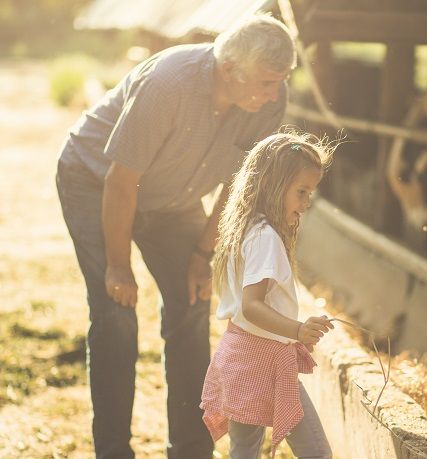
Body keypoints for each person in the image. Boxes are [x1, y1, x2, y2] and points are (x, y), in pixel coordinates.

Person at [55, 14, 295, 459]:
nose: (273, 94)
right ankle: (113, 451)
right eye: (265, 82)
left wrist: (205, 254)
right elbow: (121, 181)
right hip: (96, 181)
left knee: (190, 302)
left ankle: (189, 450)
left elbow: (239, 186)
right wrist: (118, 265)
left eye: (280, 81)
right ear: (230, 70)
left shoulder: (269, 99)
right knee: (115, 313)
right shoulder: (170, 84)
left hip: (174, 196)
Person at [200, 132, 335, 458]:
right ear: (272, 184)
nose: (306, 203)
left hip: (240, 354)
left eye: (310, 194)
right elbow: (252, 307)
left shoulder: (245, 227)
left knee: (244, 450)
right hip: (264, 358)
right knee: (317, 453)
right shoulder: (265, 238)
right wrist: (299, 331)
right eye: (301, 192)